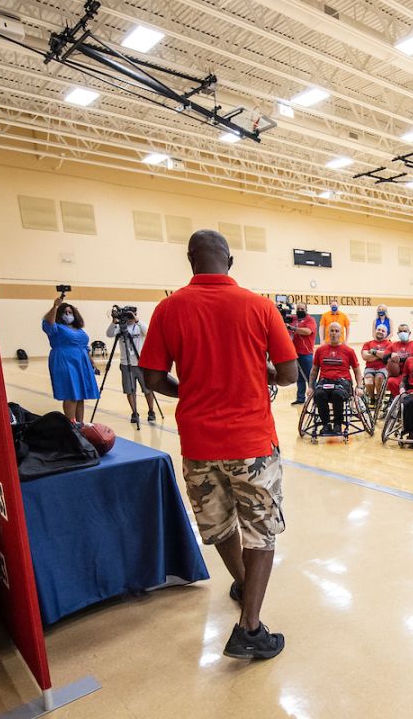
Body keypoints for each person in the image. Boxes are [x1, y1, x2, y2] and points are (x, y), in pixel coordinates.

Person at [140, 229, 298, 661]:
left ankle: (244, 585)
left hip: (198, 443)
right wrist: (258, 372)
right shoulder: (259, 306)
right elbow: (289, 375)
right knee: (261, 530)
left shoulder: (168, 309)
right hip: (252, 443)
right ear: (230, 261)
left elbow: (151, 378)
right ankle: (250, 627)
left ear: (191, 261)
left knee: (219, 524)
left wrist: (189, 389)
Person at [41, 297, 99, 423]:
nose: (68, 315)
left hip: (82, 363)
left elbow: (85, 347)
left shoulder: (78, 329)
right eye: (65, 312)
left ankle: (80, 424)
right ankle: (71, 424)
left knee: (80, 396)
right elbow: (48, 323)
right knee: (71, 393)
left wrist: (92, 363)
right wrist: (55, 306)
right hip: (65, 361)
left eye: (70, 312)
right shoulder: (56, 327)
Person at [309, 322, 363, 436]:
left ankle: (337, 424)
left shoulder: (349, 351)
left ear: (341, 333)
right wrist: (310, 387)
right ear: (328, 332)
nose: (334, 333)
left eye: (336, 331)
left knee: (337, 394)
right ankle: (326, 424)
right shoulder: (320, 350)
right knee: (319, 394)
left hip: (342, 382)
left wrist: (359, 386)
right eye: (332, 331)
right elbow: (314, 371)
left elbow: (357, 371)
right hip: (325, 381)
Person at [105, 307, 157, 424]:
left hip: (141, 363)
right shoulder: (120, 328)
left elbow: (148, 332)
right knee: (130, 391)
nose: (129, 318)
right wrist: (114, 321)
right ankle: (134, 412)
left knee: (147, 389)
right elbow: (109, 334)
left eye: (130, 315)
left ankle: (151, 411)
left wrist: (137, 320)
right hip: (126, 363)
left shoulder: (139, 326)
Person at [288, 302, 317, 405]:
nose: (300, 311)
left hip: (306, 353)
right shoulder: (293, 318)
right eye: (298, 309)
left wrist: (293, 329)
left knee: (310, 376)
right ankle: (300, 398)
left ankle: (316, 398)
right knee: (299, 377)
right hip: (294, 353)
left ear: (306, 309)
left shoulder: (310, 320)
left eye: (302, 309)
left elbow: (307, 331)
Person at [360, 325, 393, 408]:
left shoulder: (389, 344)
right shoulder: (368, 343)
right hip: (369, 369)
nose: (380, 332)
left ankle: (379, 399)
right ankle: (372, 398)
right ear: (375, 331)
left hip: (383, 368)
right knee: (368, 379)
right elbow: (365, 357)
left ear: (386, 334)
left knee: (379, 378)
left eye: (383, 331)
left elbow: (387, 356)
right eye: (379, 329)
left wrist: (373, 352)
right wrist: (380, 355)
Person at [386, 324, 413, 398]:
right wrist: (390, 355)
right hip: (398, 374)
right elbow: (384, 357)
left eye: (405, 331)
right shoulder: (393, 345)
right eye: (400, 331)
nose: (403, 333)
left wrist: (399, 359)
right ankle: (399, 400)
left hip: (412, 374)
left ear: (409, 333)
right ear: (398, 334)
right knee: (391, 381)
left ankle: (409, 400)